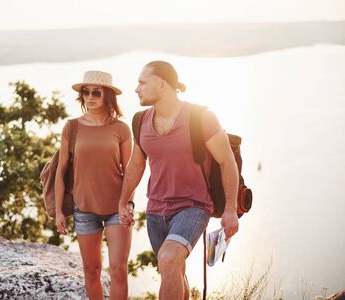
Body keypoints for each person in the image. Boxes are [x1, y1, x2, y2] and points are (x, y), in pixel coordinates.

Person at [118, 61, 239, 299]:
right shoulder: (141, 121)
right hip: (155, 211)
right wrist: (124, 201)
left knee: (168, 258)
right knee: (173, 269)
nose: (136, 89)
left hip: (193, 207)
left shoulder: (201, 117)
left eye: (142, 82)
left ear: (162, 84)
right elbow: (136, 164)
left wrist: (231, 210)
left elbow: (227, 162)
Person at [55, 70, 133, 300]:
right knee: (91, 272)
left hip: (117, 207)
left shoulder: (121, 129)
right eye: (85, 92)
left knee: (119, 271)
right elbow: (61, 172)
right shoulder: (72, 127)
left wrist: (126, 203)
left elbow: (129, 172)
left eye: (96, 93)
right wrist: (59, 211)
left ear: (107, 96)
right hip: (84, 208)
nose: (89, 97)